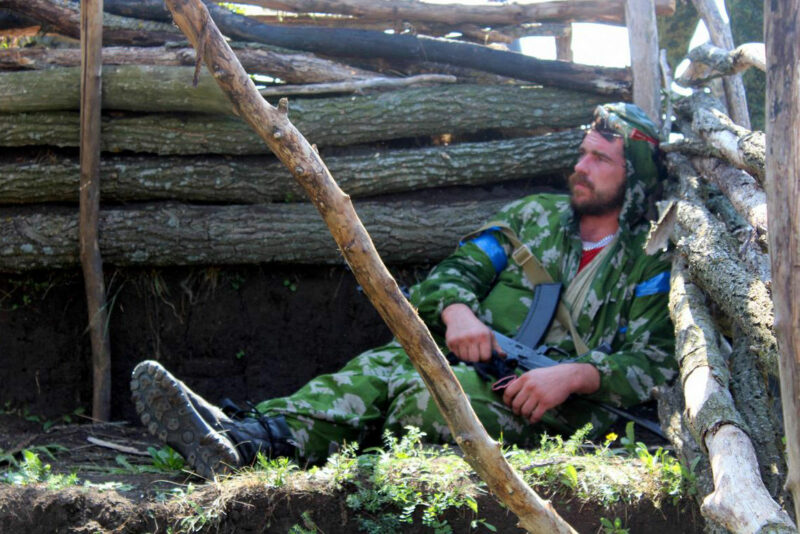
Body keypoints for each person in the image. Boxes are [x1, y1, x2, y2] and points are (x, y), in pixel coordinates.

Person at [131, 102, 676, 479]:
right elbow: (455, 273)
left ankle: (272, 447)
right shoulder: (532, 216)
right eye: (581, 153)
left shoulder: (649, 258)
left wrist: (575, 375)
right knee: (388, 364)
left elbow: (652, 364)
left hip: (558, 408)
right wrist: (458, 313)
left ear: (634, 176)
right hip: (476, 364)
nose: (580, 168)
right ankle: (250, 438)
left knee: (424, 398)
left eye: (599, 160)